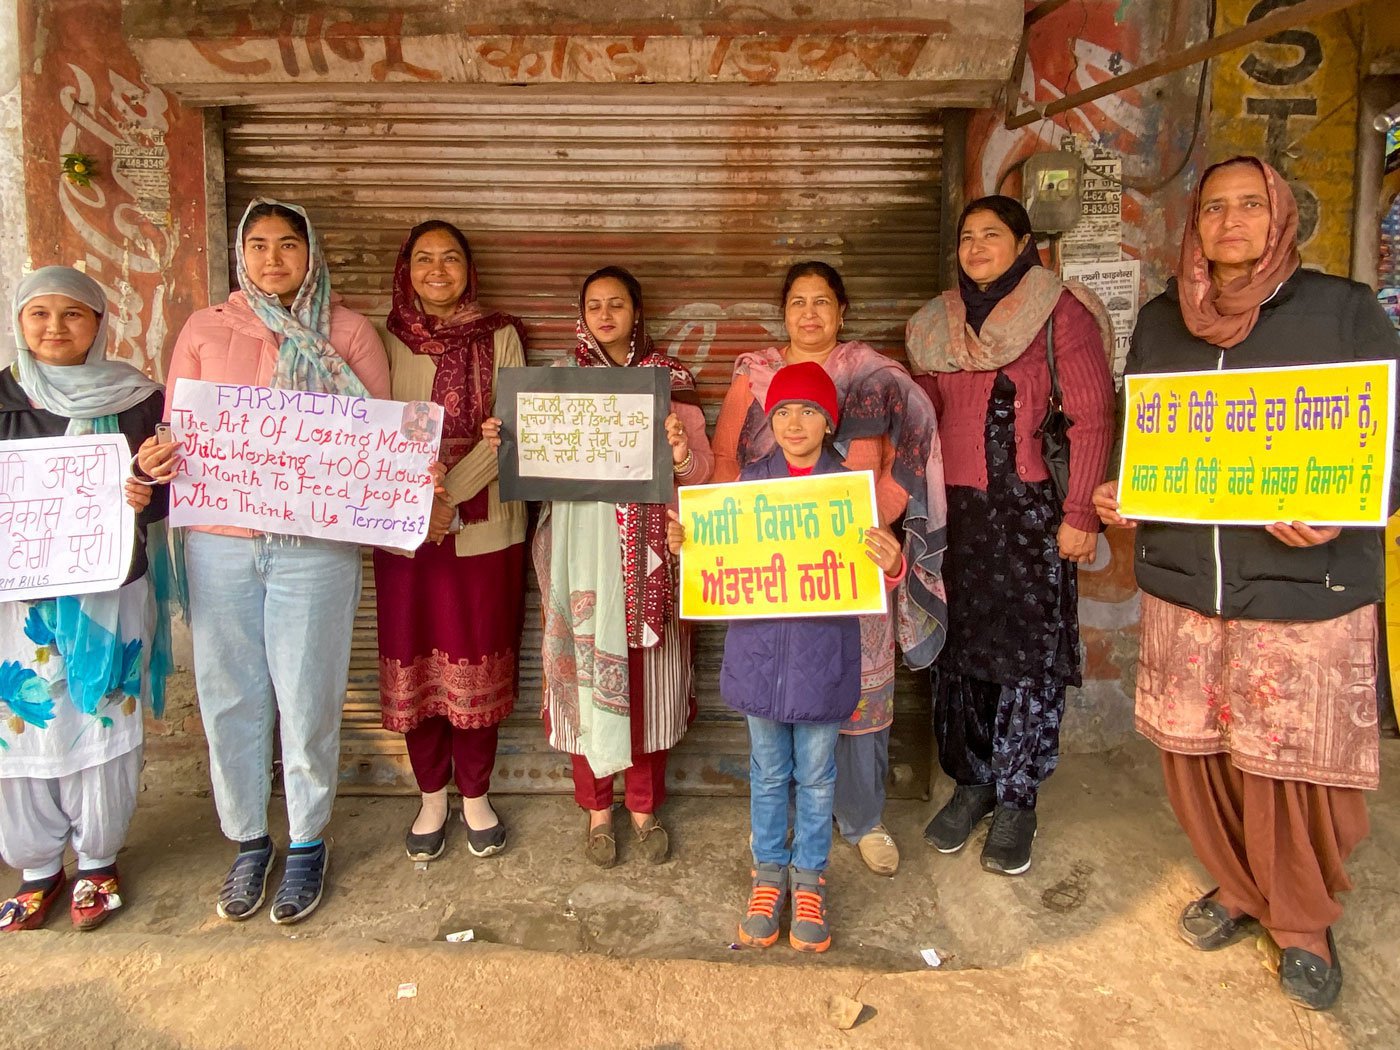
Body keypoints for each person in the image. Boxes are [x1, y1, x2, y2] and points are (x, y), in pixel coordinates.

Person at [1093, 156, 1400, 1011]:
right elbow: (1144, 431)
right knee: (1200, 753)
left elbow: (1391, 442)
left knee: (1291, 765)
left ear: (1280, 218)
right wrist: (1126, 488)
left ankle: (1301, 919)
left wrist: (1350, 511)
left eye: (1249, 207)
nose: (1231, 223)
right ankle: (1236, 886)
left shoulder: (1343, 312)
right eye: (1215, 209)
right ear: (1194, 226)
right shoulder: (1161, 322)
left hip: (1305, 583)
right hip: (1190, 581)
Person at [139, 199, 390, 924]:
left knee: (308, 694)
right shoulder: (205, 329)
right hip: (219, 542)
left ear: (310, 253)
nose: (273, 259)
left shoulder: (344, 331)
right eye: (258, 245)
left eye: (288, 244)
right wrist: (159, 453)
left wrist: (410, 475)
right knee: (229, 695)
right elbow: (175, 426)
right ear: (240, 255)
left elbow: (377, 439)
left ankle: (308, 842)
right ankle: (249, 840)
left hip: (314, 547)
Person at [712, 261, 947, 876]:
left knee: (862, 694)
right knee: (779, 696)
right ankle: (779, 843)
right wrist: (715, 533)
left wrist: (871, 524)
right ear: (783, 312)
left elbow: (909, 455)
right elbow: (723, 462)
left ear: (842, 312)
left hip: (849, 562)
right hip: (770, 574)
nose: (809, 314)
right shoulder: (755, 378)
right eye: (797, 302)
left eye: (822, 302)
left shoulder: (874, 375)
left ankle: (863, 820)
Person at [905, 195, 1114, 876]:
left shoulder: (1059, 313)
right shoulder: (936, 324)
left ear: (1024, 242)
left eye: (991, 235)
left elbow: (1091, 416)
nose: (976, 248)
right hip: (953, 518)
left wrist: (1079, 514)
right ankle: (973, 784)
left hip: (1029, 517)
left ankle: (1018, 798)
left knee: (1027, 658)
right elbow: (922, 419)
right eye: (966, 237)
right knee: (959, 650)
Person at [668, 362, 906, 952]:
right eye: (781, 413)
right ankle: (769, 875)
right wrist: (687, 544)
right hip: (758, 659)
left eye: (807, 412)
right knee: (769, 773)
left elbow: (878, 576)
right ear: (768, 422)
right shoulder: (750, 483)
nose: (793, 423)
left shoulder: (848, 492)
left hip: (823, 660)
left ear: (829, 422)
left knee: (819, 778)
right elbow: (716, 559)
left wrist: (892, 561)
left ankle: (809, 879)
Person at [484, 266, 712, 867]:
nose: (605, 314)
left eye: (617, 303)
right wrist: (506, 441)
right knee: (587, 681)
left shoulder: (669, 381)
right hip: (581, 557)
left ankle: (643, 805)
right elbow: (532, 478)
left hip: (650, 561)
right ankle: (596, 810)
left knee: (648, 687)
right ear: (580, 313)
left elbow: (703, 474)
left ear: (638, 310)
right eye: (594, 305)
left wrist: (682, 454)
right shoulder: (558, 387)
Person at [0, 266, 172, 931]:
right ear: (18, 322)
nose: (54, 329)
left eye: (73, 315)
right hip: (18, 607)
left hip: (108, 595)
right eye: (38, 314)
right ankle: (37, 866)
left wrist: (141, 495)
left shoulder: (137, 398)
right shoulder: (3, 395)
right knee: (23, 721)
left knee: (100, 714)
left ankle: (98, 859)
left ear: (101, 324)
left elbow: (170, 491)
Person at [374, 220, 527, 862]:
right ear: (406, 267)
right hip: (401, 531)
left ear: (470, 268)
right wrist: (419, 506)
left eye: (452, 258)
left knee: (479, 653)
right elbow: (362, 428)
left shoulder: (501, 335)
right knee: (415, 657)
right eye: (425, 259)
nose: (438, 270)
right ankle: (430, 793)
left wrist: (448, 497)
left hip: (485, 526)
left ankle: (475, 795)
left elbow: (512, 427)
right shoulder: (378, 338)